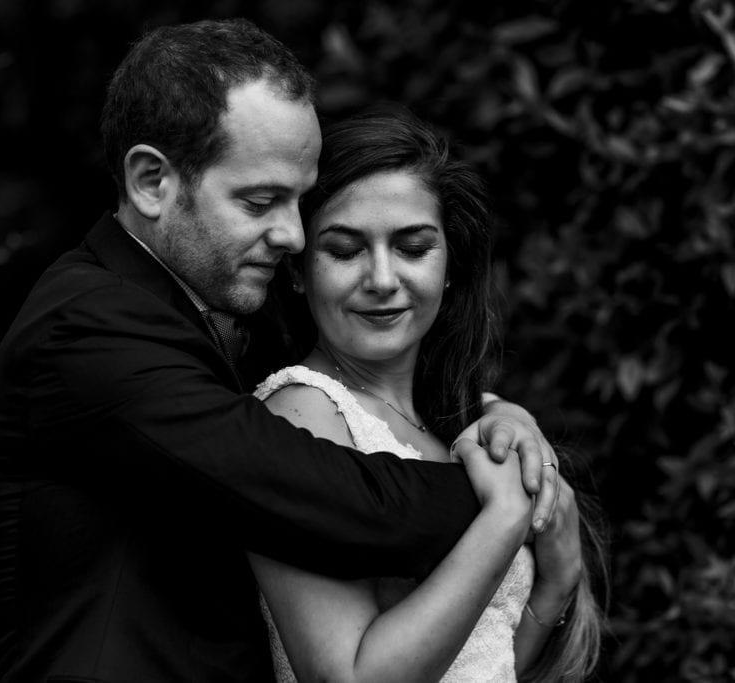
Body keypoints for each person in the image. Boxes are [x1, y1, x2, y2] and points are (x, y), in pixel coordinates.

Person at [0, 18, 567, 683]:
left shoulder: (197, 323)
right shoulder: (88, 329)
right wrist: (511, 491)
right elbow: (316, 490)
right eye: (261, 201)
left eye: (300, 201)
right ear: (150, 181)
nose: (291, 235)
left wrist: (493, 417)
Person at [250, 108, 607, 682]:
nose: (383, 278)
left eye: (413, 247)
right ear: (297, 271)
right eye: (344, 250)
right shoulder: (300, 414)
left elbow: (481, 660)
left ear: (449, 265)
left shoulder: (471, 417)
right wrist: (507, 516)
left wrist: (559, 584)